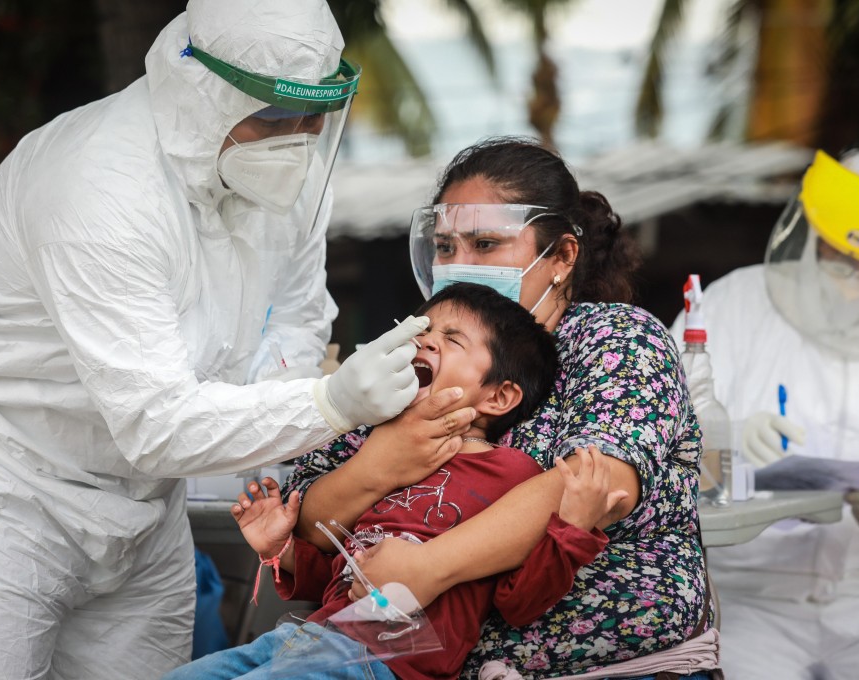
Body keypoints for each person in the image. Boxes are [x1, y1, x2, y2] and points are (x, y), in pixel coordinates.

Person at [0, 1, 428, 678]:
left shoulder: (292, 167)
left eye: (315, 117)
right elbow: (155, 422)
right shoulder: (101, 187)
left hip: (143, 500)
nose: (299, 139)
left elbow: (296, 314)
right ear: (204, 96)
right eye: (276, 117)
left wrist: (283, 419)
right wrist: (329, 406)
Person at [283, 137, 718, 679]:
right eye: (445, 247)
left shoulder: (616, 339)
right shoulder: (417, 352)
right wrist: (380, 465)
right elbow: (301, 524)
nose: (460, 265)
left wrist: (428, 569)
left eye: (485, 244)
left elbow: (599, 483)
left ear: (560, 257)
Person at [167, 282, 630, 679]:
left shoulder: (513, 473)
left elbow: (518, 603)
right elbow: (342, 572)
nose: (424, 344)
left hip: (386, 660)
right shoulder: (384, 452)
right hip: (306, 639)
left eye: (451, 338)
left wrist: (571, 528)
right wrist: (281, 551)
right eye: (420, 332)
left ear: (499, 395)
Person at [670, 133, 859, 679]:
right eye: (839, 259)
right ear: (811, 233)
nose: (853, 282)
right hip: (747, 599)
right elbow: (651, 449)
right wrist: (716, 443)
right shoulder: (731, 306)